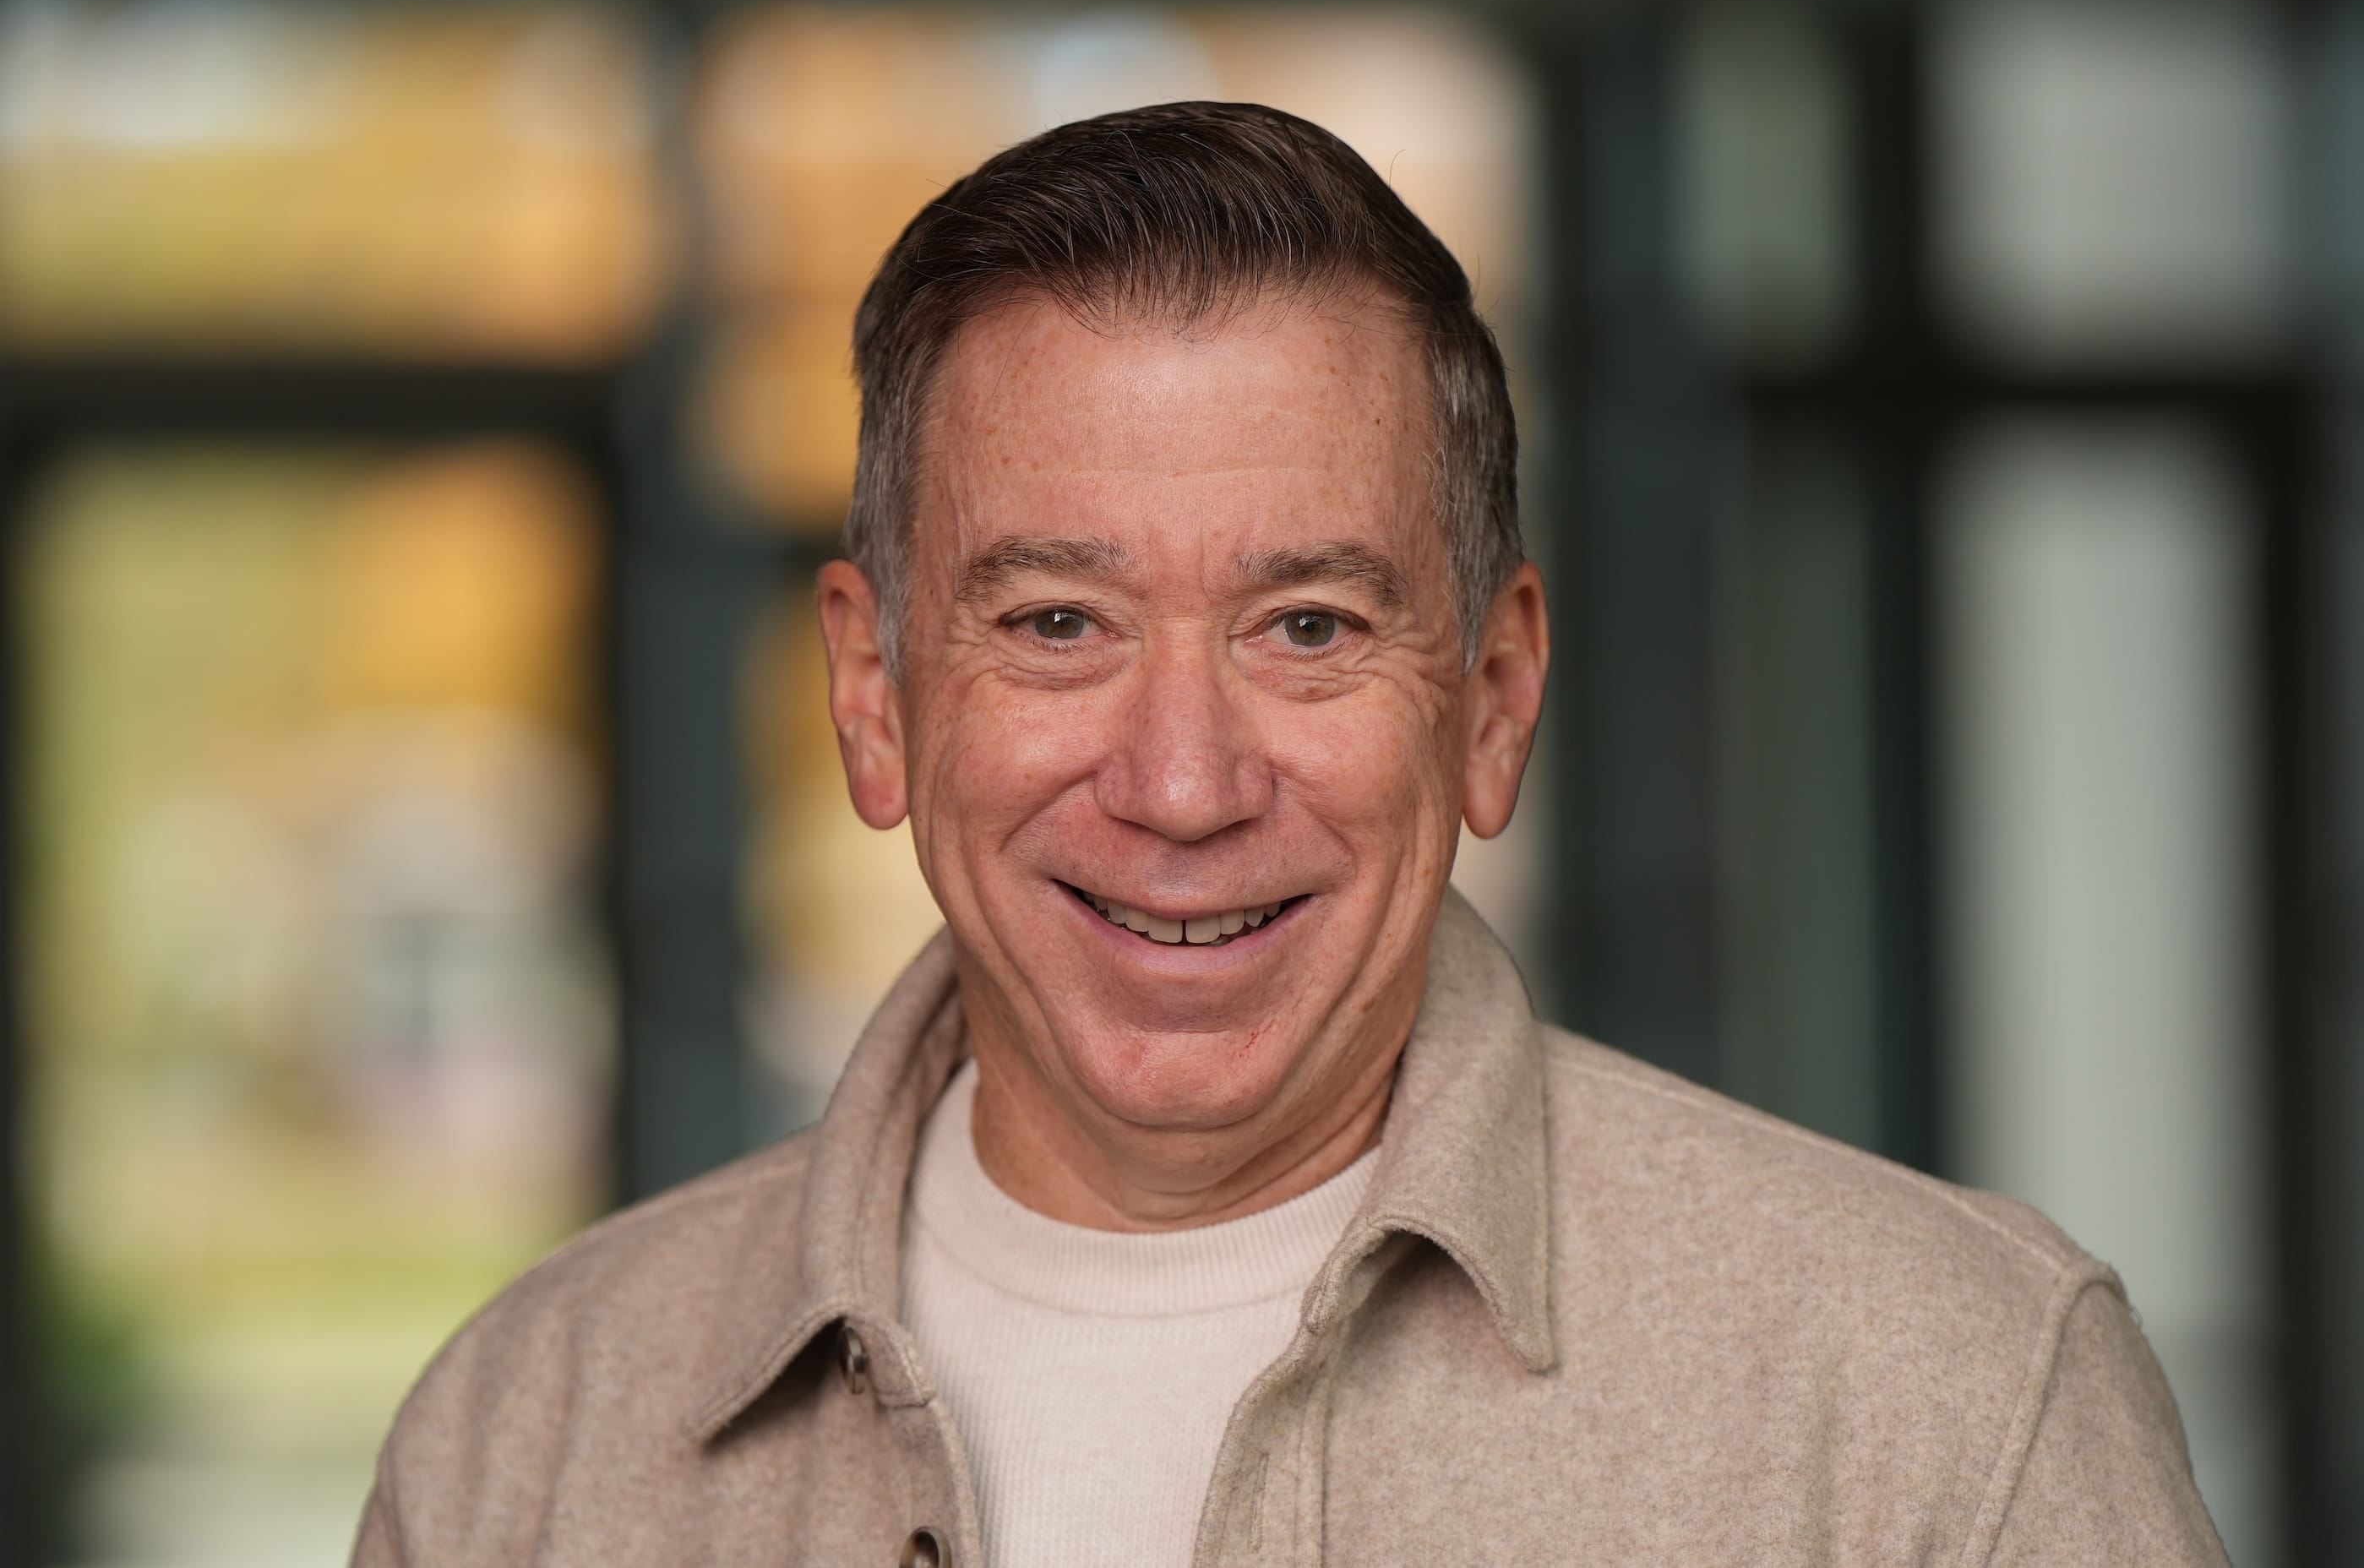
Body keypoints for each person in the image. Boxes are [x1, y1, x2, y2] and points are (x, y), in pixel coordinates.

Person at [352, 101, 2225, 1568]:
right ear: (875, 694)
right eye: (1057, 622)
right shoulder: (529, 1436)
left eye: (1308, 625)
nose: (1182, 781)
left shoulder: (1934, 1394)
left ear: (1491, 698)